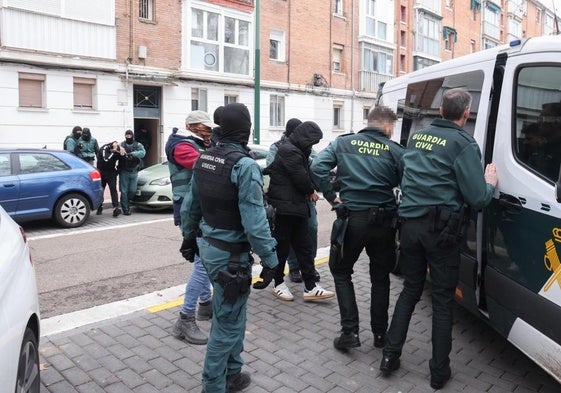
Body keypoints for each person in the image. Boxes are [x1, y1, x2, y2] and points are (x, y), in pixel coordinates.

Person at [379, 88, 498, 390]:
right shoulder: (464, 144)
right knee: (443, 302)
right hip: (441, 233)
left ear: (441, 111)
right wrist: (489, 183)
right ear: (465, 114)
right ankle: (438, 372)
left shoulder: (417, 136)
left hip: (409, 227)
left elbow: (408, 173)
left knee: (410, 291)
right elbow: (477, 198)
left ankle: (389, 357)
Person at [181, 103, 279, 392]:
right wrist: (271, 259)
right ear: (245, 131)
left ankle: (233, 372)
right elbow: (255, 221)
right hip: (231, 256)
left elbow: (191, 206)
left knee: (235, 313)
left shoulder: (205, 158)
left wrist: (188, 238)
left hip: (210, 249)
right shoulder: (244, 165)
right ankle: (214, 384)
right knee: (227, 324)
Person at [311, 106, 404, 351]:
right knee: (380, 278)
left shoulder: (344, 144)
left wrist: (331, 197)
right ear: (386, 126)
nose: (392, 132)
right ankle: (380, 335)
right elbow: (408, 182)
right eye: (392, 128)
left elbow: (317, 167)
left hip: (351, 221)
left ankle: (350, 331)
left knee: (341, 272)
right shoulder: (395, 151)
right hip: (384, 223)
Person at [264, 121, 334, 302]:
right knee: (282, 248)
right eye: (311, 141)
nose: (312, 146)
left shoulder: (297, 150)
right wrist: (311, 191)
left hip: (296, 207)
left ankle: (310, 286)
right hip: (284, 208)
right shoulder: (289, 151)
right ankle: (278, 284)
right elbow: (301, 177)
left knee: (304, 247)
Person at [166, 110, 216, 345]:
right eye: (205, 128)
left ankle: (205, 305)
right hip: (189, 211)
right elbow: (205, 168)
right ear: (193, 126)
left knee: (202, 260)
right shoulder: (182, 146)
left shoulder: (194, 143)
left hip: (198, 208)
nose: (208, 132)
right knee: (203, 264)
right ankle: (185, 318)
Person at [266, 118, 320, 284]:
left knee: (309, 232)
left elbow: (317, 165)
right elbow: (286, 171)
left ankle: (309, 269)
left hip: (304, 199)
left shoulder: (306, 149)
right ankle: (293, 269)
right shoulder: (278, 148)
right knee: (286, 240)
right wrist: (308, 187)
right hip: (289, 200)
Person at [118, 130, 145, 216]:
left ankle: (127, 201)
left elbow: (143, 153)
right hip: (124, 171)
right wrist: (121, 152)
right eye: (127, 135)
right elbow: (116, 150)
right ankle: (125, 208)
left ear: (132, 135)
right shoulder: (121, 145)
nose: (128, 136)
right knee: (124, 191)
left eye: (130, 135)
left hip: (134, 171)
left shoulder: (138, 145)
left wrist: (132, 154)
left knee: (133, 190)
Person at [96, 141, 124, 217]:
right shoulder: (104, 149)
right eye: (113, 150)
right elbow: (106, 159)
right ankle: (99, 206)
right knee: (101, 189)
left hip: (111, 172)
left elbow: (122, 160)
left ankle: (116, 208)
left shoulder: (116, 150)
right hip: (102, 172)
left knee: (113, 189)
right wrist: (114, 151)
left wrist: (118, 170)